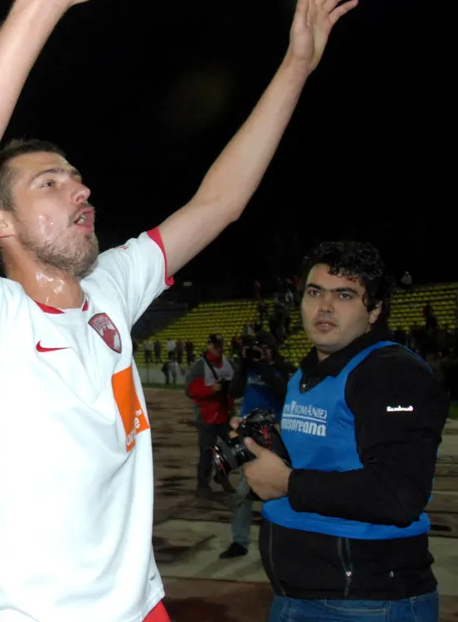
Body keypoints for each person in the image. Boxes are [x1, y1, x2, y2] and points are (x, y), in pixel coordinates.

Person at [0, 0, 361, 618]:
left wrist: (296, 66)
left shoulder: (108, 292)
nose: (79, 189)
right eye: (48, 184)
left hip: (142, 607)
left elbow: (219, 203)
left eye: (76, 177)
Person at [242, 242, 447, 621]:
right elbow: (326, 460)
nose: (324, 306)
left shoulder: (390, 372)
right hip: (300, 593)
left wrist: (287, 482)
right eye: (314, 292)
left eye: (345, 295)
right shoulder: (306, 373)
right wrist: (265, 448)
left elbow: (399, 494)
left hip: (367, 601)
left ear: (374, 310)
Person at [219, 331, 292, 559]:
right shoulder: (249, 368)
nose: (259, 352)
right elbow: (234, 392)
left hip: (275, 433)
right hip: (248, 431)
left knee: (278, 488)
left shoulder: (283, 368)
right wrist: (243, 364)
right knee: (243, 490)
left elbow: (283, 392)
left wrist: (263, 366)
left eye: (264, 348)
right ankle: (239, 541)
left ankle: (281, 541)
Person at [184, 334, 235, 497]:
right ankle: (203, 485)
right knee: (206, 452)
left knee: (235, 447)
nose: (218, 348)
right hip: (205, 417)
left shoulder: (230, 363)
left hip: (224, 414)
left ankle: (221, 475)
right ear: (208, 346)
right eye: (215, 345)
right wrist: (210, 389)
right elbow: (189, 390)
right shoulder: (199, 366)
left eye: (220, 345)